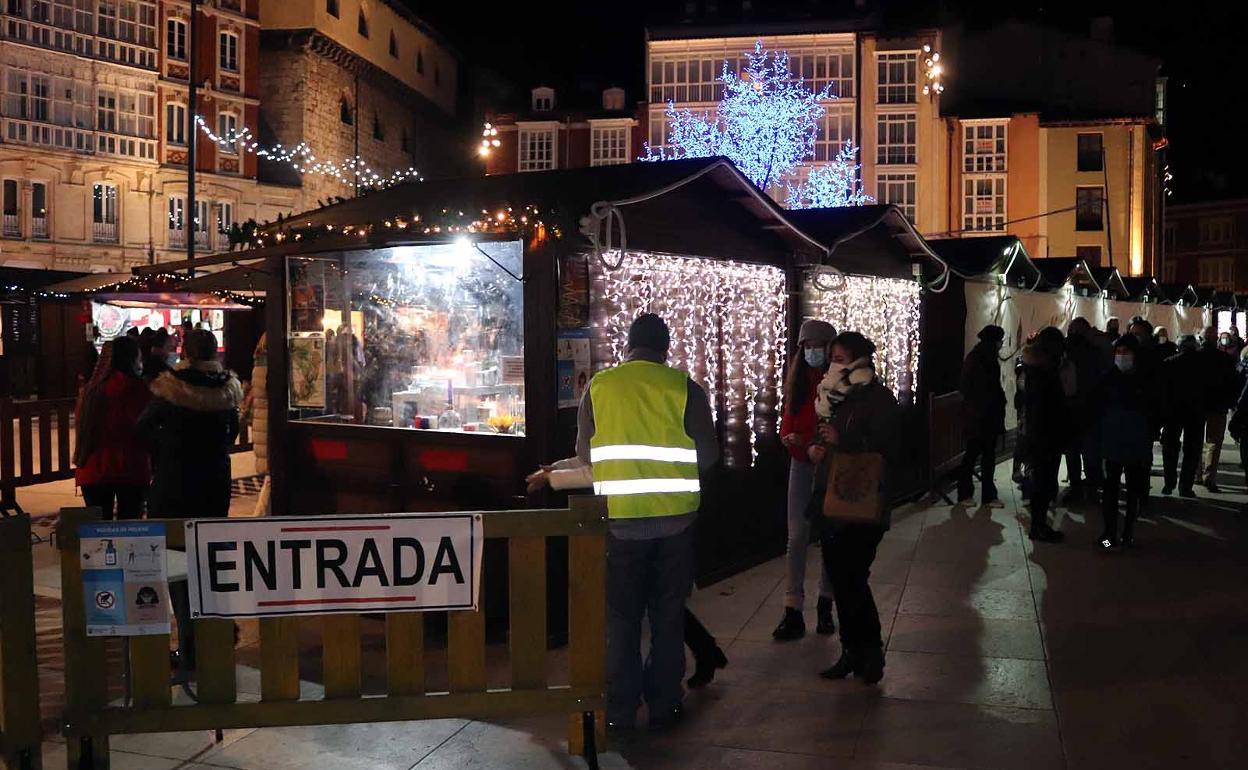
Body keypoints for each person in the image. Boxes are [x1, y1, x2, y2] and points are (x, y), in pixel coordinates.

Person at [535, 314, 719, 731]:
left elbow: (586, 455)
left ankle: (619, 710)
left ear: (628, 347)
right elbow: (708, 456)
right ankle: (664, 705)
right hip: (676, 523)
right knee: (668, 617)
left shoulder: (600, 387)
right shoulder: (686, 388)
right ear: (665, 349)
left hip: (620, 523)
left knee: (621, 620)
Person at [138, 328, 242, 673]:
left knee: (178, 566)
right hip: (213, 484)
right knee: (208, 560)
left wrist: (167, 451)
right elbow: (232, 431)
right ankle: (216, 632)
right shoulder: (227, 389)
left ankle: (188, 646)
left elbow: (142, 428)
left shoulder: (171, 388)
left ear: (187, 352)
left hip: (175, 485)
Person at [810, 332, 901, 685]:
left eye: (840, 358)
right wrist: (816, 449)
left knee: (854, 578)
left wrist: (845, 440)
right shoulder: (832, 396)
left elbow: (889, 447)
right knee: (841, 579)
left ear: (859, 361)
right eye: (831, 358)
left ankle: (869, 651)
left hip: (864, 503)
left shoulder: (878, 398)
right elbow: (823, 436)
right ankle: (854, 651)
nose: (833, 364)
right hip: (831, 500)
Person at [773, 318, 838, 641]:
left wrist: (814, 443)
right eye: (807, 346)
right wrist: (795, 441)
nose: (812, 351)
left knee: (828, 535)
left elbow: (836, 427)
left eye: (817, 346)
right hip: (800, 465)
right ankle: (792, 608)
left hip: (829, 467)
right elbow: (787, 424)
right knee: (797, 536)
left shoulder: (838, 384)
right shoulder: (797, 382)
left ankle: (825, 602)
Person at [73, 336, 151, 520]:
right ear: (133, 360)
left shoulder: (90, 391)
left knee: (99, 530)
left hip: (93, 469)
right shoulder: (139, 389)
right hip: (131, 467)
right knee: (130, 529)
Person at [1096, 335, 1158, 550]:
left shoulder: (1146, 380)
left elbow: (1155, 410)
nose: (1122, 356)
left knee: (1134, 491)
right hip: (1112, 443)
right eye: (1119, 352)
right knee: (1110, 492)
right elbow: (1097, 409)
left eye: (1126, 352)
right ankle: (1108, 536)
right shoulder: (1107, 378)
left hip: (1136, 444)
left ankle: (1128, 533)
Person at [1021, 327, 1068, 542]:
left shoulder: (1036, 369)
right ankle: (1038, 527)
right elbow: (1046, 406)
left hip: (1042, 433)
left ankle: (1039, 525)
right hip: (1045, 435)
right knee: (1043, 482)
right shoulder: (1043, 373)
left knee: (1043, 481)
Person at [956, 324, 1006, 506]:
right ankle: (973, 494)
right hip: (981, 416)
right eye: (1000, 340)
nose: (1001, 344)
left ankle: (974, 494)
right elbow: (983, 388)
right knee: (978, 455)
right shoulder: (983, 359)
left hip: (979, 415)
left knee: (979, 455)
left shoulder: (978, 356)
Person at [1061, 318, 1105, 504]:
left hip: (1070, 410)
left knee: (1072, 453)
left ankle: (1076, 488)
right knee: (1090, 452)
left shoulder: (1065, 351)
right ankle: (1092, 489)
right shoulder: (1095, 352)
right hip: (1091, 409)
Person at [1160, 335, 1204, 497]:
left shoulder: (1169, 363)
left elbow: (1163, 390)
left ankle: (1169, 482)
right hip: (1196, 412)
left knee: (1169, 447)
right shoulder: (1203, 365)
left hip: (1173, 412)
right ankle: (1185, 486)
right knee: (1192, 450)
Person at [1198, 325, 1236, 492]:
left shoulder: (1195, 358)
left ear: (1201, 339)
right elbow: (1232, 383)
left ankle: (1196, 474)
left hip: (1197, 405)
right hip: (1218, 405)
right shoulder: (1225, 359)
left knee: (1196, 441)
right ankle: (1209, 477)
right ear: (1216, 340)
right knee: (1214, 442)